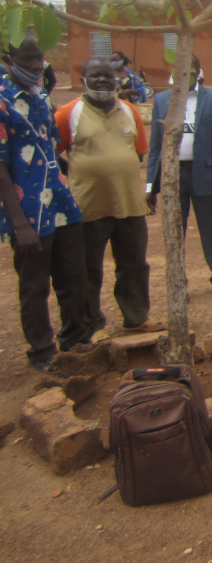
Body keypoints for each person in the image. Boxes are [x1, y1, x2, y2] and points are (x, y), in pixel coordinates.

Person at [54, 58, 164, 335]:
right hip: (88, 206)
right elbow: (51, 152)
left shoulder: (129, 110)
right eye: (95, 76)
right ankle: (92, 324)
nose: (103, 80)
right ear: (84, 81)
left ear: (116, 80)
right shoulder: (68, 113)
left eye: (108, 76)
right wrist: (76, 170)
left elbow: (138, 151)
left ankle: (136, 318)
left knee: (135, 265)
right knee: (88, 269)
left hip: (129, 204)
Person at [0, 34, 88, 371]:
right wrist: (20, 225)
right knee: (35, 286)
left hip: (62, 203)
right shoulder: (3, 100)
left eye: (39, 58)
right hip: (29, 212)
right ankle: (41, 352)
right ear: (9, 60)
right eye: (27, 61)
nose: (37, 66)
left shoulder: (39, 96)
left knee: (73, 276)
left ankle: (75, 342)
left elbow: (49, 149)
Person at [146, 55, 212, 299]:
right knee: (175, 231)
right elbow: (155, 147)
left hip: (206, 176)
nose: (185, 74)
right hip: (173, 178)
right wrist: (151, 185)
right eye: (180, 69)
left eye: (191, 70)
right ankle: (178, 282)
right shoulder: (162, 100)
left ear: (198, 71)